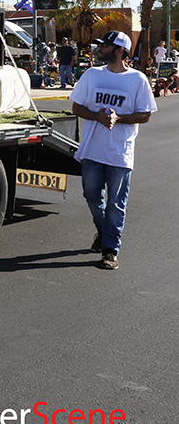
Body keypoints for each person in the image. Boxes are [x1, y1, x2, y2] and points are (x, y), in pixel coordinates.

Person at [70, 31, 156, 270]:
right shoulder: (91, 75)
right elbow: (77, 107)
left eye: (105, 46)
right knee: (91, 196)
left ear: (120, 51)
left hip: (120, 152)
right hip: (92, 151)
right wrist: (97, 116)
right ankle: (104, 231)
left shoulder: (137, 80)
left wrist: (119, 119)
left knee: (116, 203)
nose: (99, 49)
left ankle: (110, 250)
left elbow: (145, 114)